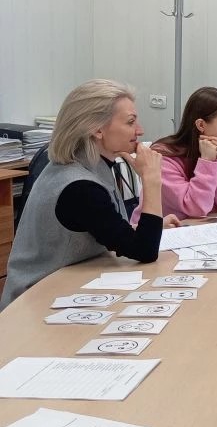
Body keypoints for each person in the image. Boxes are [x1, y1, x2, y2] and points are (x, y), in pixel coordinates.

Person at [1, 79, 180, 309]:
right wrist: (152, 179)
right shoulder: (80, 188)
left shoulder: (93, 165)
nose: (140, 130)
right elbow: (144, 251)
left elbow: (104, 228)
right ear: (97, 129)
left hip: (73, 288)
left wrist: (147, 225)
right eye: (130, 122)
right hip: (37, 303)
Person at [131, 87, 217, 222]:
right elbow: (196, 209)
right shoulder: (164, 155)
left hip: (212, 228)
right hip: (164, 231)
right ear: (201, 125)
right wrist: (208, 162)